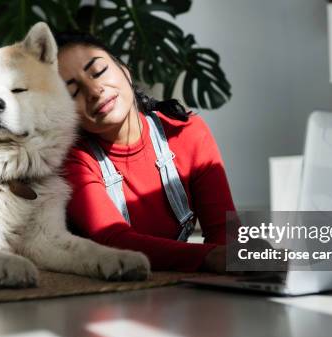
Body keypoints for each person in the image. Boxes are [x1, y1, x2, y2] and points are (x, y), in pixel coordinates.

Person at [57, 32, 235, 273]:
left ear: (125, 70)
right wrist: (211, 257)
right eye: (73, 93)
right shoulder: (72, 161)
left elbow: (224, 233)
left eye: (98, 71)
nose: (94, 91)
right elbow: (114, 241)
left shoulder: (186, 132)